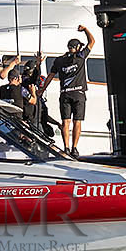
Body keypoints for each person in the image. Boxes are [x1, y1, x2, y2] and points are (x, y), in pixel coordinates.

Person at [41, 26, 95, 156]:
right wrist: (86, 29)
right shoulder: (81, 56)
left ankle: (65, 147)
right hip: (79, 94)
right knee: (77, 121)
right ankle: (74, 148)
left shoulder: (59, 60)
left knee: (66, 121)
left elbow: (50, 76)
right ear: (77, 48)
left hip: (64, 94)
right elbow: (92, 41)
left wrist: (42, 90)